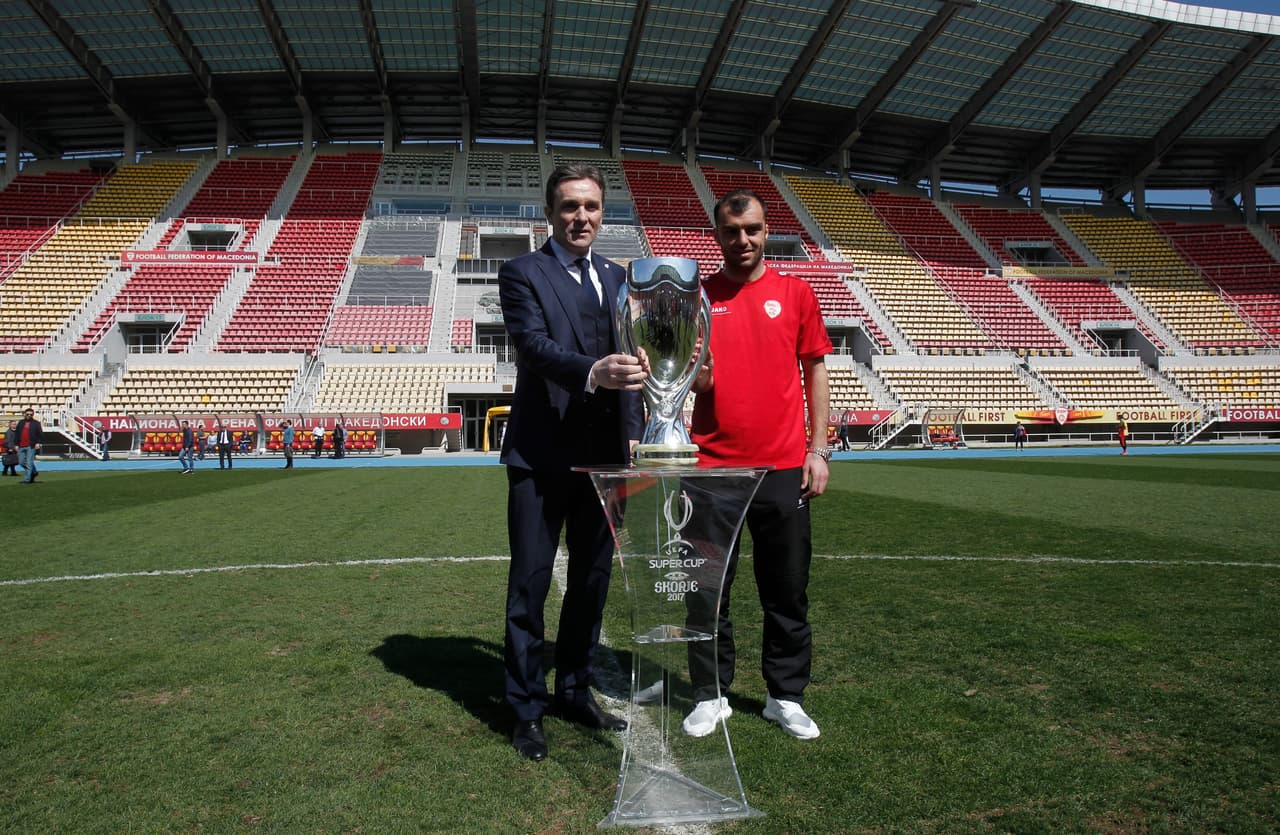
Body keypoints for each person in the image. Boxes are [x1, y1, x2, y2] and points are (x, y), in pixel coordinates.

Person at [498, 162, 647, 762]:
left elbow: (636, 364)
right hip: (541, 456)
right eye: (568, 207)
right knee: (529, 586)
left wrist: (635, 430)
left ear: (602, 212)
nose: (580, 216)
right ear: (549, 213)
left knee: (591, 583)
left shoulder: (620, 278)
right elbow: (533, 347)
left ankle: (575, 690)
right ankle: (526, 708)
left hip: (607, 459)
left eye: (590, 206)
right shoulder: (521, 272)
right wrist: (591, 371)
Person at [682, 189, 832, 741]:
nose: (741, 240)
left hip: (784, 467)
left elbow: (814, 372)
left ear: (767, 231)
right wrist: (687, 370)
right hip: (711, 465)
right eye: (730, 231)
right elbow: (694, 378)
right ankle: (710, 694)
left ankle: (784, 696)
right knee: (706, 589)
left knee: (786, 589)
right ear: (716, 235)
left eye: (752, 230)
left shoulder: (796, 293)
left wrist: (818, 449)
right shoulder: (696, 298)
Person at [14, 408, 43, 484]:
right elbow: (17, 434)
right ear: (25, 414)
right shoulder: (21, 423)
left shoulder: (36, 423)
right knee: (21, 462)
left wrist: (38, 443)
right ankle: (34, 471)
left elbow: (40, 434)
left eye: (31, 414)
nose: (29, 416)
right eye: (27, 414)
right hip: (21, 445)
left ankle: (27, 480)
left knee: (29, 462)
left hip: (31, 446)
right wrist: (16, 444)